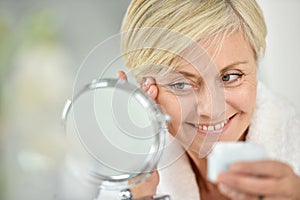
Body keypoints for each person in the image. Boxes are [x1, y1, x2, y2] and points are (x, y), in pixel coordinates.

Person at [118, 0, 300, 199]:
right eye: (181, 84)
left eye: (230, 77)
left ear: (255, 65)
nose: (212, 110)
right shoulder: (126, 185)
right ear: (145, 89)